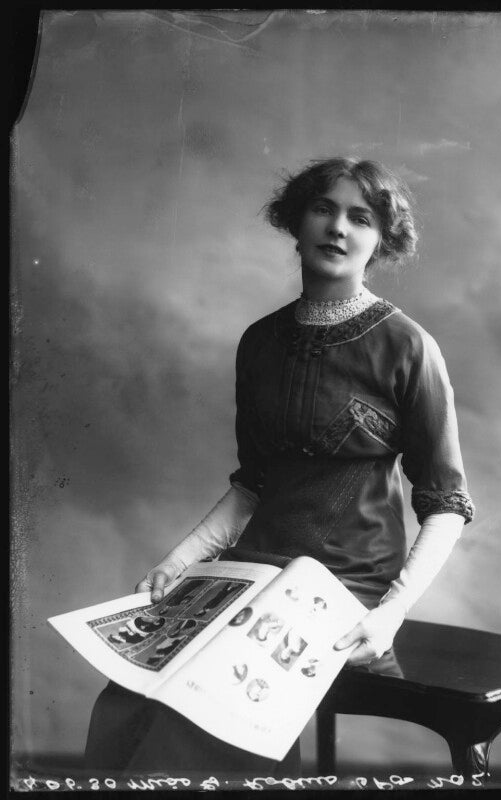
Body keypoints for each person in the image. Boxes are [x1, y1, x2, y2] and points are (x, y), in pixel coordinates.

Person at [84, 156, 474, 775]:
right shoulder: (260, 341)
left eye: (360, 218)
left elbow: (446, 504)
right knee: (129, 695)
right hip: (254, 569)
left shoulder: (408, 346)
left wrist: (391, 612)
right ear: (297, 222)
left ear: (381, 240)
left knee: (201, 712)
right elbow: (253, 485)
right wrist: (178, 561)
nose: (338, 228)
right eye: (323, 209)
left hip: (346, 583)